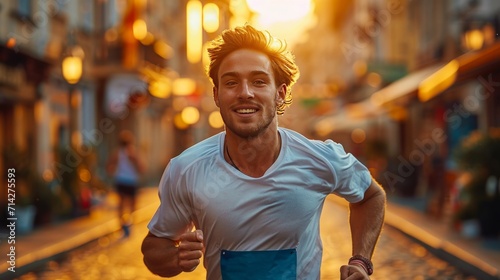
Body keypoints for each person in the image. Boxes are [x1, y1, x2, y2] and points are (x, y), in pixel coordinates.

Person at [142, 25, 386, 280]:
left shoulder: (319, 159)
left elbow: (371, 197)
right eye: (231, 82)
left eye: (259, 81)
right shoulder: (187, 169)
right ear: (216, 95)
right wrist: (176, 258)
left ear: (280, 93)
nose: (245, 93)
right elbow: (153, 249)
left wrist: (361, 260)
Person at [107, 129, 145, 237]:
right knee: (132, 204)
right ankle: (129, 223)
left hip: (120, 180)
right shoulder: (133, 152)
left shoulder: (117, 153)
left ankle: (123, 224)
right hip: (131, 181)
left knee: (121, 204)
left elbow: (109, 166)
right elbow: (141, 168)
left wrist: (113, 172)